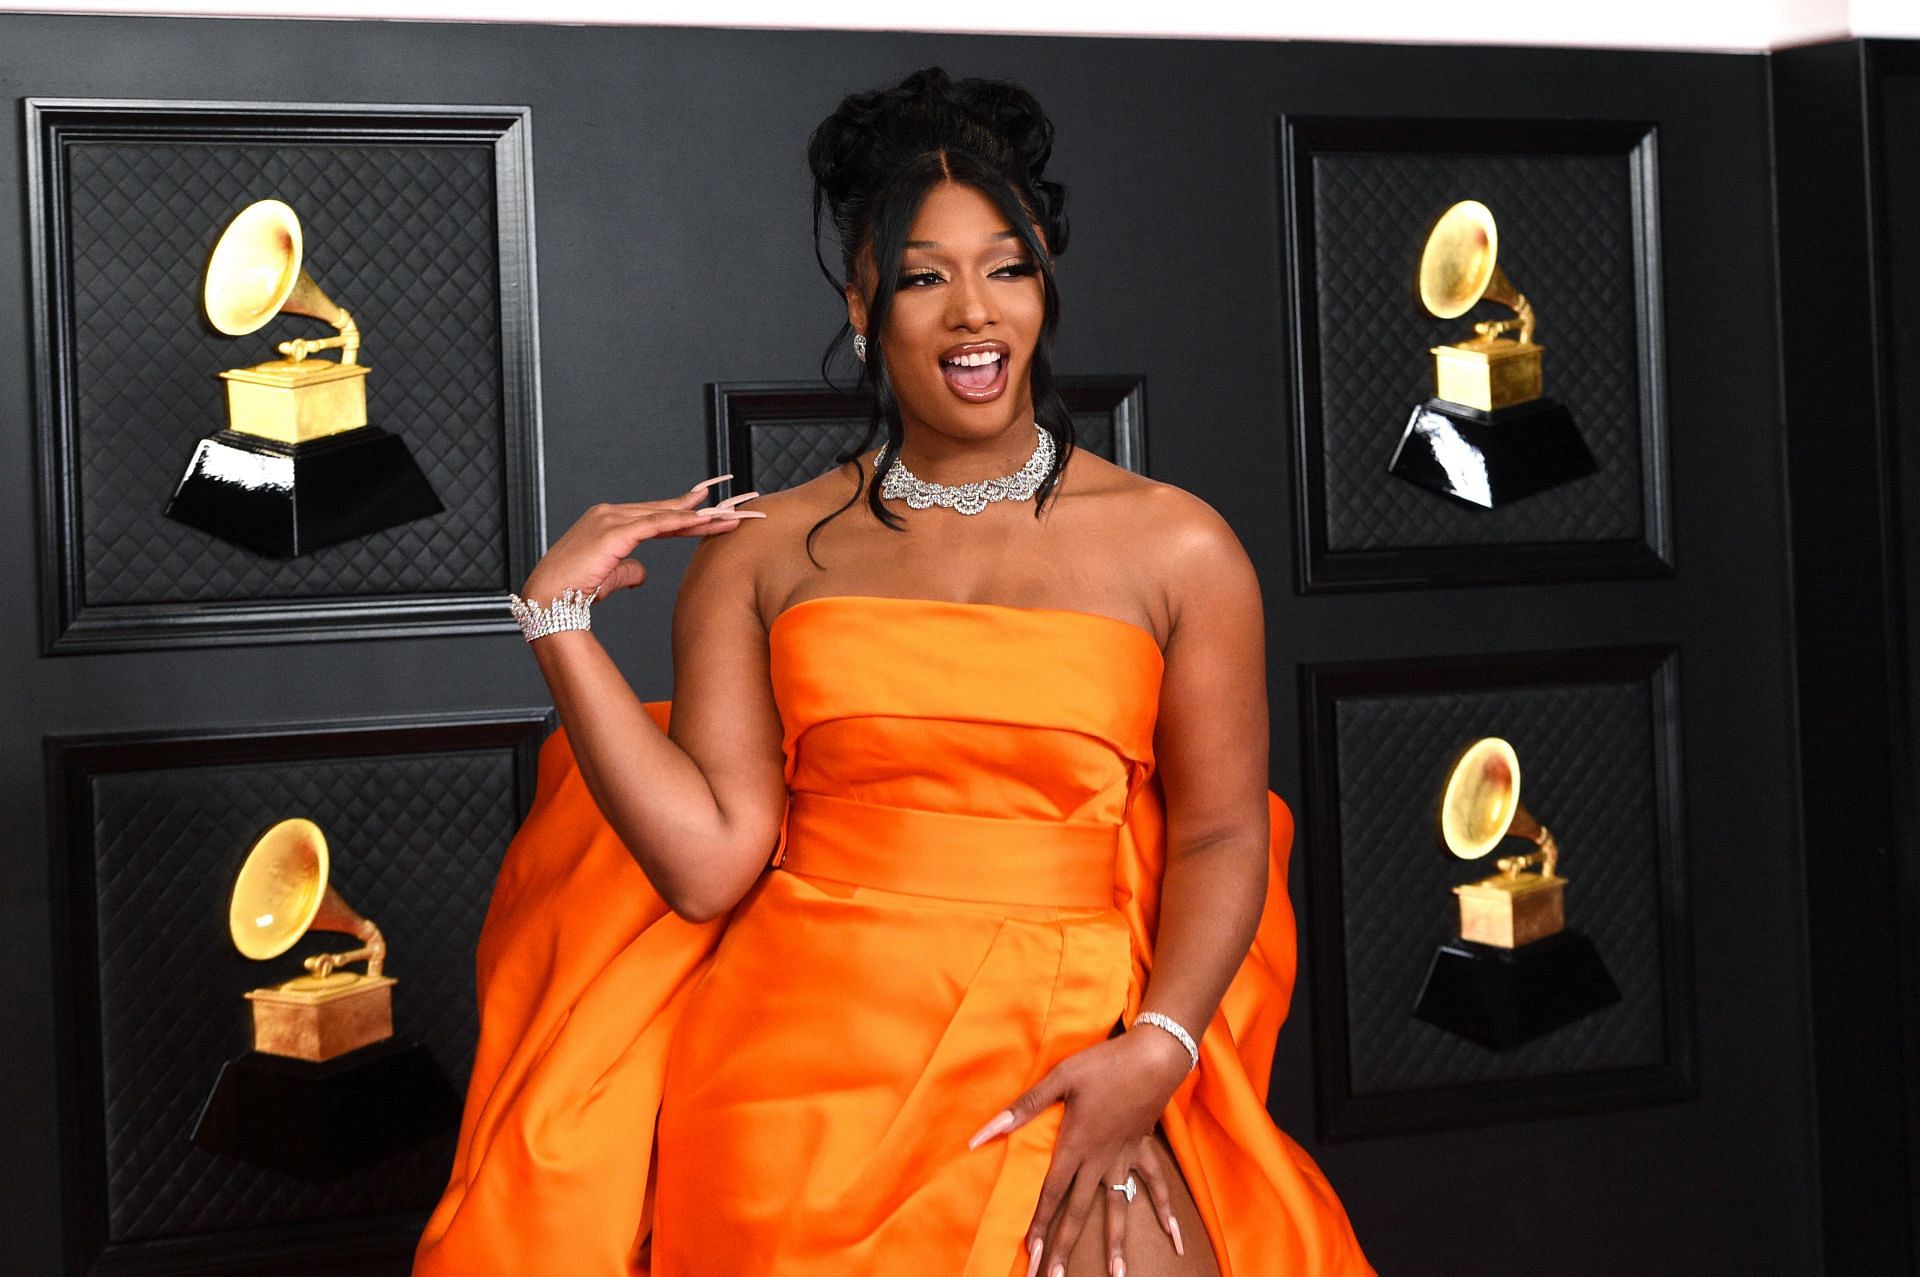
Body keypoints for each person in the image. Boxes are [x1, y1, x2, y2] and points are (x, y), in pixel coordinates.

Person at [415, 67, 1371, 1277]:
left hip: (1070, 1044)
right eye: (925, 277)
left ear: (1043, 288)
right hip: (792, 1081)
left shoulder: (1179, 545)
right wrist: (558, 621)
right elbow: (710, 865)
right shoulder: (764, 548)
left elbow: (1224, 836)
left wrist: (1163, 1044)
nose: (974, 313)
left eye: (1007, 268)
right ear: (865, 305)